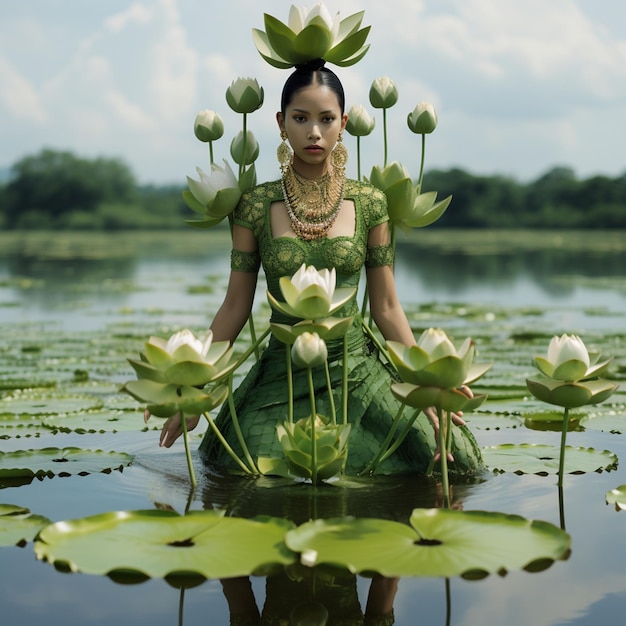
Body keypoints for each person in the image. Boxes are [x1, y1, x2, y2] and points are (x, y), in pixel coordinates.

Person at [157, 60, 483, 476]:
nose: (314, 131)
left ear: (343, 123)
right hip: (282, 373)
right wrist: (194, 390)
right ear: (281, 122)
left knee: (452, 462)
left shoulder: (370, 203)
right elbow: (235, 307)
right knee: (247, 468)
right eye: (301, 118)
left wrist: (425, 380)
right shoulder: (254, 205)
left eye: (326, 119)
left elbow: (385, 307)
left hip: (357, 371)